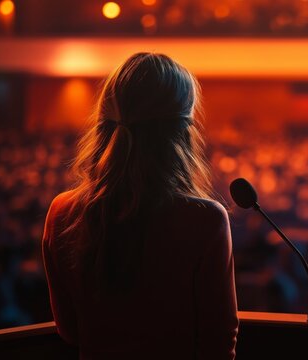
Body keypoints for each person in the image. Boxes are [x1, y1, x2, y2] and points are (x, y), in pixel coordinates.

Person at [41, 53, 239, 359]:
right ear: (181, 132)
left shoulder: (62, 212)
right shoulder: (205, 220)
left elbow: (69, 330)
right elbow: (219, 343)